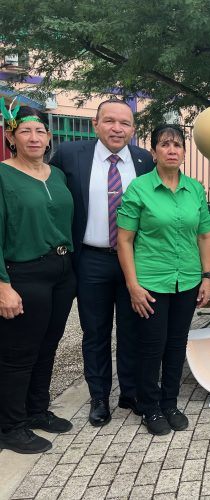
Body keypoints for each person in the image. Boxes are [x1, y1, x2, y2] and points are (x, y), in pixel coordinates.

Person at [50, 99, 153, 427]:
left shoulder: (143, 160)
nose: (117, 128)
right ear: (96, 124)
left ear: (133, 130)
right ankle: (99, 397)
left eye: (124, 123)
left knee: (132, 328)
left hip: (132, 262)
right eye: (109, 121)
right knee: (94, 332)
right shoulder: (70, 156)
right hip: (90, 259)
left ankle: (131, 392)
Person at [116, 124, 210, 435]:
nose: (172, 149)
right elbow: (125, 240)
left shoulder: (195, 189)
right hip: (150, 282)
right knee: (151, 346)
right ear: (154, 151)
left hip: (186, 281)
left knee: (175, 344)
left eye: (177, 145)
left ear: (184, 152)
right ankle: (149, 406)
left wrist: (207, 276)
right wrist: (132, 285)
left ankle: (170, 403)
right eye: (164, 144)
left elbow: (204, 235)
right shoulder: (139, 189)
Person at [0, 104, 77, 454]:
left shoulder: (56, 175)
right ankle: (11, 426)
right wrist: (2, 285)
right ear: (10, 136)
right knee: (18, 353)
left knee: (48, 346)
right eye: (26, 131)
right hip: (23, 273)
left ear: (48, 138)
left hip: (60, 271)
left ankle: (36, 411)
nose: (34, 138)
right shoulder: (3, 176)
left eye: (40, 132)